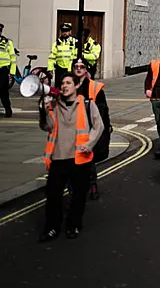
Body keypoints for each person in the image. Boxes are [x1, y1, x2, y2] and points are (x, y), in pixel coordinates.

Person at [38, 71, 105, 241]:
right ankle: (52, 228)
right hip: (58, 157)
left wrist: (89, 144)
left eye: (68, 83)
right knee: (53, 196)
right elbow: (47, 127)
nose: (64, 86)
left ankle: (73, 225)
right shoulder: (53, 105)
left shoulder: (87, 104)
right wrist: (43, 110)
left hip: (79, 158)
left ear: (76, 86)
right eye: (62, 83)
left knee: (78, 196)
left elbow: (99, 126)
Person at [71, 58, 111, 201]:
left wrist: (105, 130)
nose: (79, 69)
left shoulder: (94, 87)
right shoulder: (69, 85)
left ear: (86, 69)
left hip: (90, 129)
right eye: (76, 66)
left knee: (89, 159)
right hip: (71, 130)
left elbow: (103, 111)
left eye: (82, 66)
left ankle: (92, 184)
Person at [0, 22, 17, 117]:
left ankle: (8, 108)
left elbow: (13, 58)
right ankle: (8, 109)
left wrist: (12, 72)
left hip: (4, 69)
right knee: (3, 91)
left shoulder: (7, 42)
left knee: (3, 90)